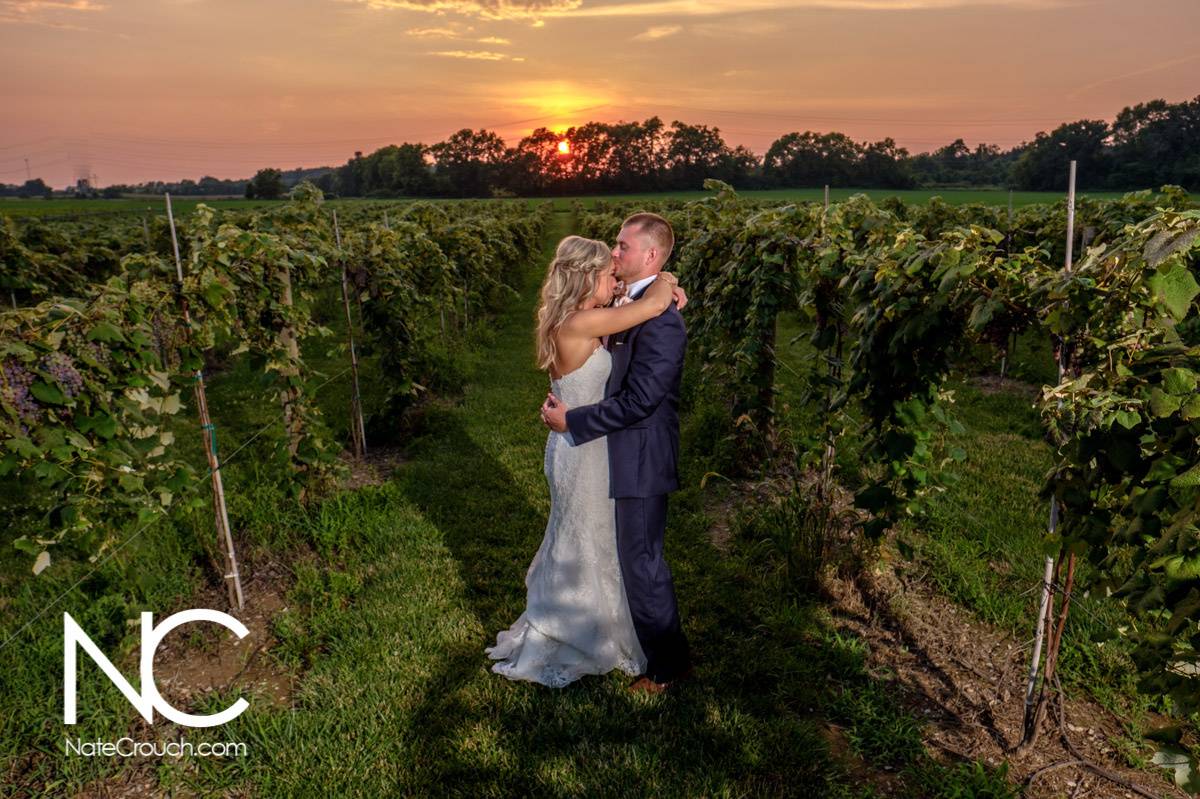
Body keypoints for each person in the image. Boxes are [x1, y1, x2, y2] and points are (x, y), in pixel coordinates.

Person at [485, 234, 686, 688]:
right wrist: (666, 282)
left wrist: (660, 283)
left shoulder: (578, 319)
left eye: (619, 261)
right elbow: (650, 308)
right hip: (584, 447)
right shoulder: (583, 323)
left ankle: (601, 628)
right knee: (589, 540)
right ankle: (585, 631)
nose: (615, 274)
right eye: (607, 272)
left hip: (581, 445)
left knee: (592, 540)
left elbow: (643, 313)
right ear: (585, 278)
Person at [540, 213, 692, 694]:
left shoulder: (661, 319)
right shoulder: (629, 302)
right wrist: (664, 284)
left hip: (639, 459)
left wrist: (574, 421)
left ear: (649, 254)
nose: (614, 253)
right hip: (606, 454)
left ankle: (667, 668)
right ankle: (622, 641)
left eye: (623, 246)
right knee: (621, 557)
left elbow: (641, 401)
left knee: (641, 563)